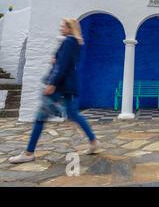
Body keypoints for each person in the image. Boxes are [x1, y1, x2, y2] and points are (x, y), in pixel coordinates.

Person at [9, 19, 101, 164]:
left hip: (59, 86)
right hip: (68, 86)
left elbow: (62, 65)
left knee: (40, 116)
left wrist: (52, 83)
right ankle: (93, 141)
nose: (60, 28)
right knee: (73, 114)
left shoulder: (69, 41)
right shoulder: (76, 43)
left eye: (63, 26)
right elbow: (66, 63)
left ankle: (28, 152)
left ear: (70, 28)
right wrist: (56, 60)